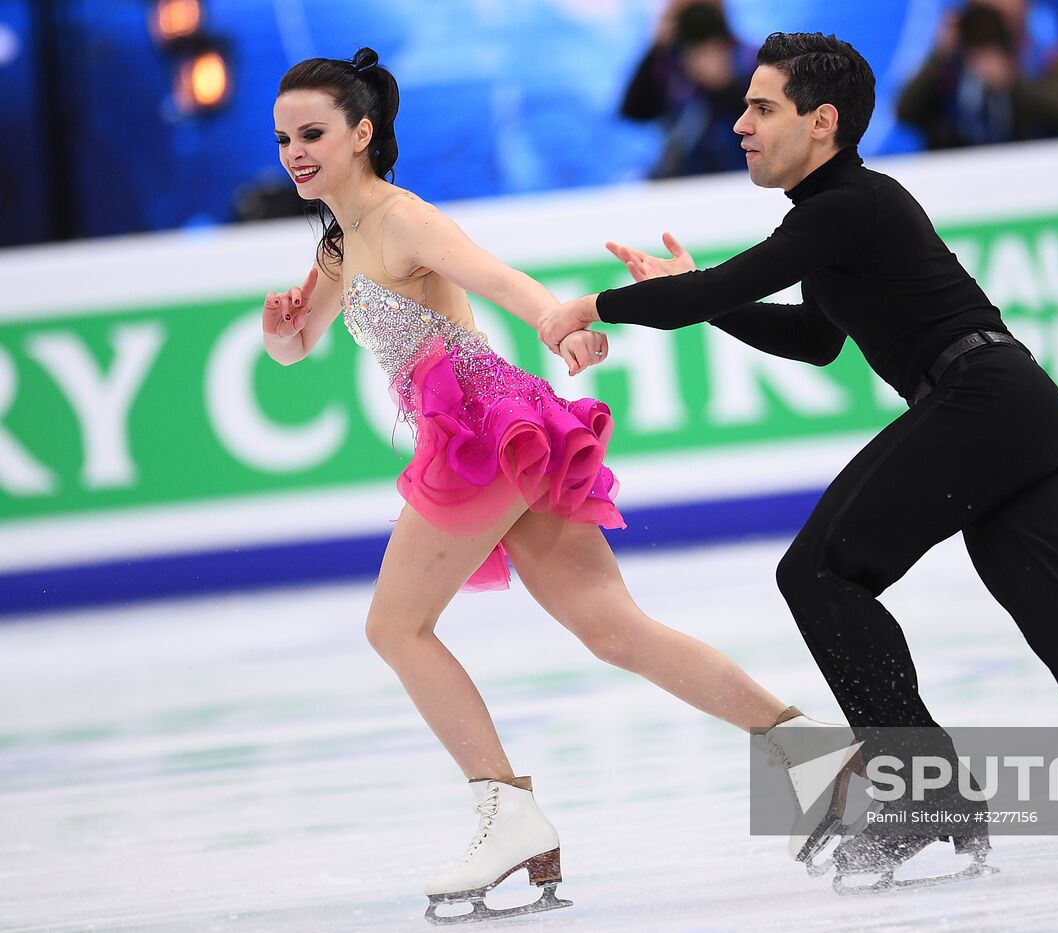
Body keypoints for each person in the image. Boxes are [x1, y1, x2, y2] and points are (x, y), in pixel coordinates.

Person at [539, 32, 1058, 884]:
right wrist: (698, 294)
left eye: (762, 107)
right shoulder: (838, 215)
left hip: (983, 402)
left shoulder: (848, 205)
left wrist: (592, 304)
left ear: (822, 121)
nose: (740, 124)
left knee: (819, 572)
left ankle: (923, 790)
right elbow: (815, 340)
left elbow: (725, 286)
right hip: (1025, 414)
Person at [265, 47, 821, 921]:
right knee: (613, 627)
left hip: (482, 436)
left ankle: (506, 810)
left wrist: (561, 326)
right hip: (497, 436)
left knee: (395, 626)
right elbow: (297, 346)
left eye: (313, 134)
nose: (295, 153)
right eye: (285, 139)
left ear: (362, 133)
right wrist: (281, 330)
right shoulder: (338, 244)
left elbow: (497, 277)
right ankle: (814, 755)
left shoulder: (402, 218)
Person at [896, 0, 1058, 149]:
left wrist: (1010, 83)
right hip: (957, 169)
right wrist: (940, 55)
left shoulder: (1048, 56)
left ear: (1025, 5)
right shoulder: (949, 62)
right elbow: (905, 112)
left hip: (1032, 166)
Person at [619, 0, 754, 178]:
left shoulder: (750, 59)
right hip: (683, 179)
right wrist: (656, 47)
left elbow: (766, 121)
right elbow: (633, 112)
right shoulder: (667, 65)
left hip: (743, 177)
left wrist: (725, 85)